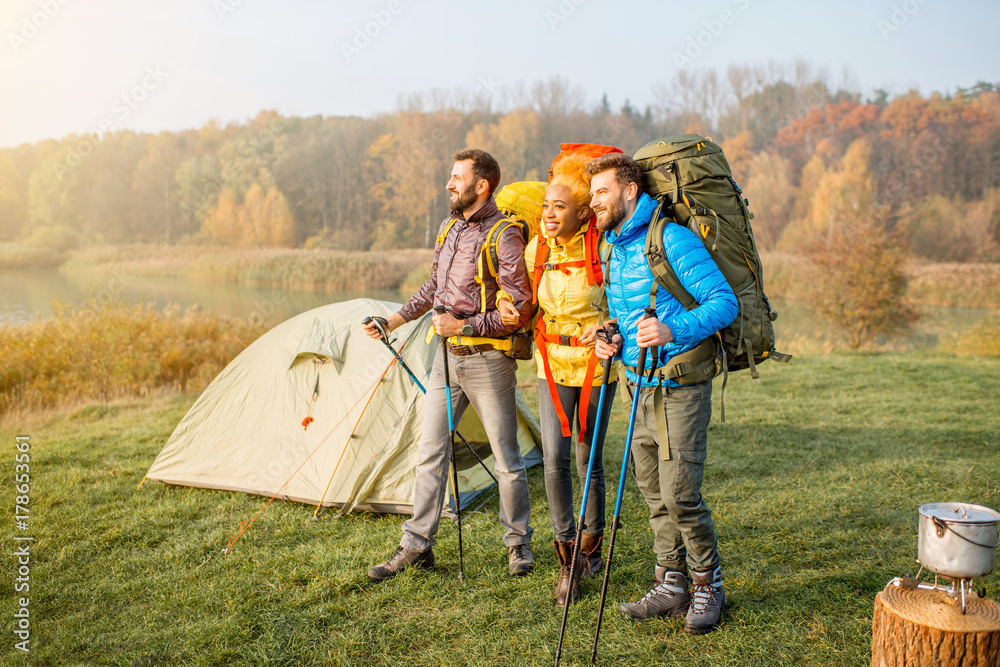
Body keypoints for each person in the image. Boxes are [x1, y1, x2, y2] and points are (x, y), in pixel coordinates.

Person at [364, 148, 536, 581]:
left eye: (457, 177)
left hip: (489, 362)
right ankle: (416, 546)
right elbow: (433, 288)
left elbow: (521, 308)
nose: (449, 184)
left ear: (483, 185)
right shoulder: (448, 228)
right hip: (445, 363)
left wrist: (462, 324)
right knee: (430, 454)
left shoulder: (505, 235)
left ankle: (518, 545)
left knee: (507, 460)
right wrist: (394, 320)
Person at [589, 152, 737, 634]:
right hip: (636, 384)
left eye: (602, 192)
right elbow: (622, 316)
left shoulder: (671, 239)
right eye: (593, 194)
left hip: (679, 386)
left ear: (630, 191)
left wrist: (672, 329)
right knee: (653, 493)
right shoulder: (614, 247)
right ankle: (670, 582)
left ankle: (707, 586)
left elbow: (724, 303)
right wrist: (610, 336)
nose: (594, 202)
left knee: (681, 495)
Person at [498, 154, 618, 606]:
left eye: (559, 208)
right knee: (553, 458)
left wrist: (609, 327)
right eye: (546, 206)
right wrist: (513, 311)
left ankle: (590, 550)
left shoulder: (602, 250)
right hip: (551, 364)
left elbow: (622, 303)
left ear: (583, 212)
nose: (548, 215)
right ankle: (566, 557)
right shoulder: (537, 251)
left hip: (594, 366)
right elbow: (526, 305)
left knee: (588, 457)